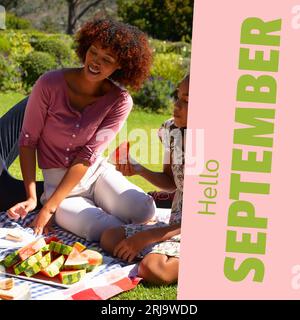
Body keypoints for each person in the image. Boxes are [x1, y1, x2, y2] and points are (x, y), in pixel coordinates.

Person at [4, 18, 156, 240]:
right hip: (58, 187)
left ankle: (143, 231)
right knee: (97, 230)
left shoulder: (120, 101)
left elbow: (87, 156)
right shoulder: (49, 84)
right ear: (86, 48)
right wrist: (36, 200)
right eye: (93, 52)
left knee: (144, 210)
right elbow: (28, 141)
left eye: (107, 59)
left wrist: (48, 210)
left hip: (96, 174)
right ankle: (137, 233)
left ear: (120, 65)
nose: (96, 62)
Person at [100, 74, 189, 285]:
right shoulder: (172, 131)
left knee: (153, 268)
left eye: (187, 101)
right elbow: (171, 182)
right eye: (177, 96)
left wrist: (148, 237)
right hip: (175, 224)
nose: (176, 105)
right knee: (109, 238)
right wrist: (139, 169)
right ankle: (162, 249)